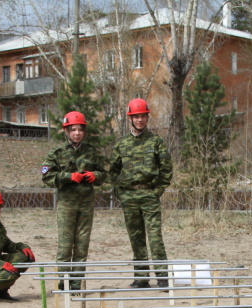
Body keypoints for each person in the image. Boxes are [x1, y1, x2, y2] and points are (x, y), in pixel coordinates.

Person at [108, 98, 173, 289]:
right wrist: (120, 193)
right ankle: (141, 277)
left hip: (149, 195)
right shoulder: (122, 144)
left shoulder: (155, 142)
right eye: (136, 116)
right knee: (136, 237)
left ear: (147, 117)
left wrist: (157, 191)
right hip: (129, 197)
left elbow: (166, 169)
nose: (139, 120)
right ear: (131, 118)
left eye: (142, 116)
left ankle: (162, 277)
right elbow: (113, 171)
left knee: (155, 237)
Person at [41, 111, 105, 291]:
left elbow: (103, 173)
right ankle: (63, 283)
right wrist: (69, 177)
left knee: (82, 245)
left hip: (86, 204)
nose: (77, 133)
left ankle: (76, 284)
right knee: (65, 245)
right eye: (73, 130)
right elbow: (46, 176)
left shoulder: (91, 151)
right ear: (66, 131)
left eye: (80, 130)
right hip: (67, 204)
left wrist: (95, 176)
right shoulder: (57, 153)